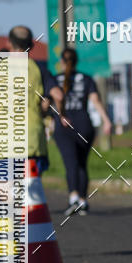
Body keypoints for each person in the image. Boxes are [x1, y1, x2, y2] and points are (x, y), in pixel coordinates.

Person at [0, 26, 64, 180]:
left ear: (8, 43)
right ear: (32, 45)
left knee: (6, 196)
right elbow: (59, 96)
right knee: (30, 191)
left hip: (3, 142)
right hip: (31, 141)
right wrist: (62, 115)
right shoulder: (39, 70)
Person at [53, 47, 112, 217]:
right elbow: (95, 100)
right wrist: (106, 120)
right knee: (82, 163)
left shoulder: (55, 79)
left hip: (64, 126)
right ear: (76, 61)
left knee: (70, 163)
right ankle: (83, 200)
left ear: (62, 62)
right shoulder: (86, 79)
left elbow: (51, 101)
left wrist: (57, 117)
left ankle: (73, 198)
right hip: (85, 125)